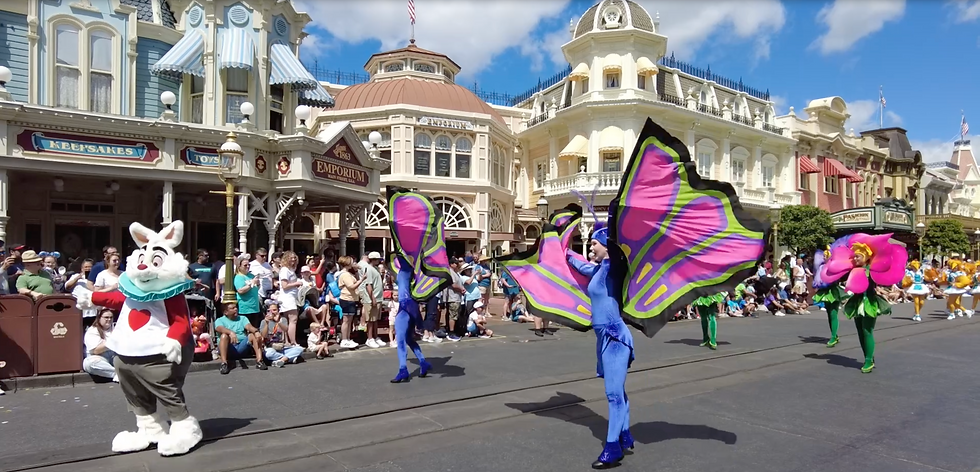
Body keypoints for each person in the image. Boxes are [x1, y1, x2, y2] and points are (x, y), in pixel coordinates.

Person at [565, 223, 635, 468]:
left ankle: (613, 448)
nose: (590, 246)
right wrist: (560, 249)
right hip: (603, 338)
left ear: (607, 246)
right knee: (618, 390)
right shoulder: (599, 269)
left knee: (613, 394)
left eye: (594, 243)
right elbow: (582, 266)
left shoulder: (614, 268)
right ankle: (625, 435)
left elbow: (620, 256)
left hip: (616, 337)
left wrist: (615, 221)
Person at [390, 255, 432, 383]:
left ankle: (403, 370)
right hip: (412, 307)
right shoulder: (415, 274)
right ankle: (423, 362)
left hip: (405, 307)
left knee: (401, 340)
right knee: (408, 339)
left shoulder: (404, 271)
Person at [214, 302, 267, 374]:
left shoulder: (242, 318)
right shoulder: (220, 320)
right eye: (232, 308)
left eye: (236, 307)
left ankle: (259, 361)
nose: (236, 309)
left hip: (241, 346)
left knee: (253, 335)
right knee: (224, 336)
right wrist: (230, 333)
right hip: (228, 349)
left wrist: (256, 331)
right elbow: (218, 328)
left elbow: (248, 326)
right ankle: (224, 364)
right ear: (226, 312)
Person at [259, 301, 304, 367]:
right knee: (269, 354)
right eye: (270, 310)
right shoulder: (264, 321)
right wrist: (267, 323)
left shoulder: (283, 320)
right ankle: (288, 359)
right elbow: (263, 335)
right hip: (271, 347)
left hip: (282, 347)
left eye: (274, 310)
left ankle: (281, 360)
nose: (272, 312)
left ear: (278, 310)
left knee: (299, 349)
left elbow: (285, 329)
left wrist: (278, 322)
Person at [336, 256, 366, 349]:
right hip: (347, 299)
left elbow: (355, 281)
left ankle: (348, 338)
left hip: (351, 299)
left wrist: (357, 271)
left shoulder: (349, 274)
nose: (354, 263)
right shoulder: (345, 275)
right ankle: (344, 339)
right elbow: (352, 286)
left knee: (349, 320)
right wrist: (362, 279)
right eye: (352, 262)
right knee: (346, 320)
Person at [82, 308, 118, 382]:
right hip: (100, 357)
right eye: (106, 317)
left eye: (111, 317)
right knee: (89, 363)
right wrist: (113, 341)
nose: (109, 319)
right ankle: (116, 374)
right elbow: (96, 350)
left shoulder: (116, 328)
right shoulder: (92, 330)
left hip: (115, 356)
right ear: (99, 318)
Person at [233, 255, 262, 327]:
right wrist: (252, 283)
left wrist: (257, 284)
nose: (248, 267)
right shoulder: (238, 277)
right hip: (245, 308)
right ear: (239, 266)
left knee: (255, 327)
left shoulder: (251, 275)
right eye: (245, 265)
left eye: (249, 265)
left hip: (255, 307)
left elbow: (255, 288)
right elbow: (240, 290)